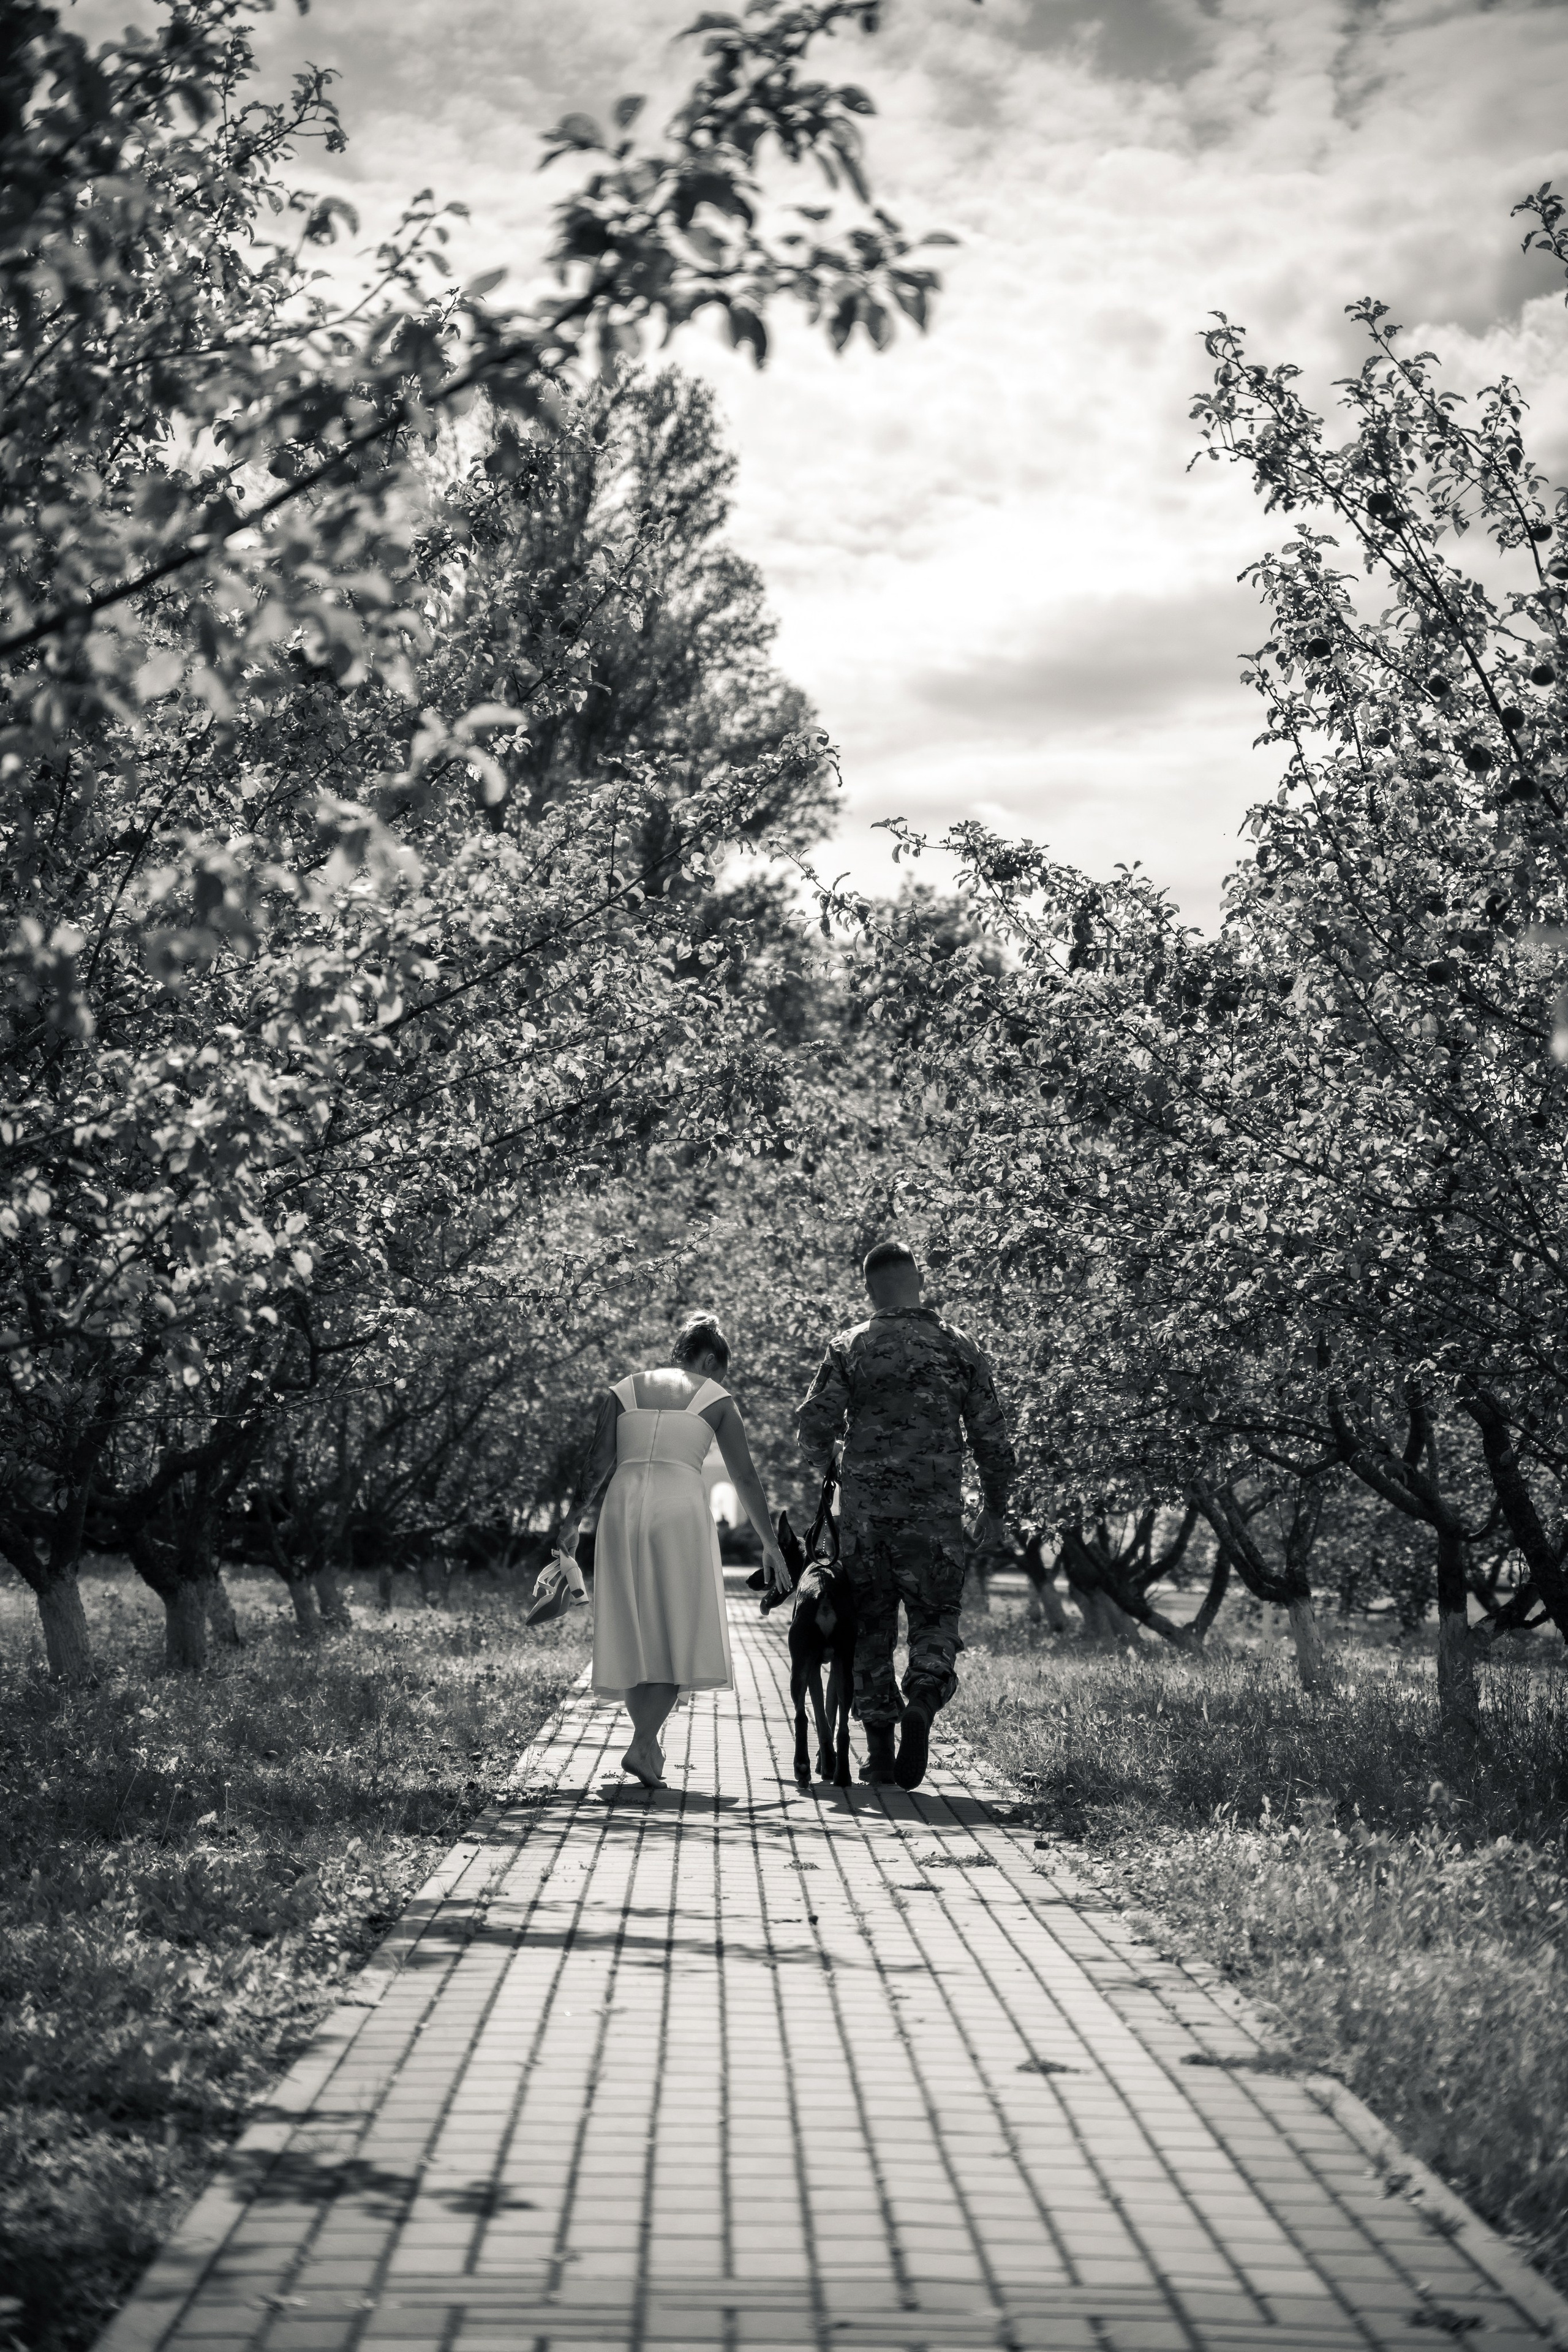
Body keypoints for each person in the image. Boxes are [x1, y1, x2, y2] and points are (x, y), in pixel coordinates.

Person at [795, 1242, 1017, 1791]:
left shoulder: (852, 1345)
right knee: (936, 1621)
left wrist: (835, 1468)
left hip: (866, 1522)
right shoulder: (958, 1345)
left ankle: (879, 1757)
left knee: (870, 1631)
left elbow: (813, 1427)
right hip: (936, 1520)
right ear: (920, 1279)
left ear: (868, 1287)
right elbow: (992, 1437)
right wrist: (995, 1508)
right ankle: (923, 1697)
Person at [554, 1313, 792, 1787]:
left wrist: (572, 1520)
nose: (717, 1380)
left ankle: (646, 1743)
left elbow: (597, 1462)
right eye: (718, 1371)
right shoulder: (717, 1398)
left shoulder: (623, 1389)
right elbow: (744, 1476)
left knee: (635, 1624)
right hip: (679, 1507)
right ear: (709, 1359)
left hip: (621, 1508)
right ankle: (643, 1745)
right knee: (674, 1626)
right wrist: (770, 1543)